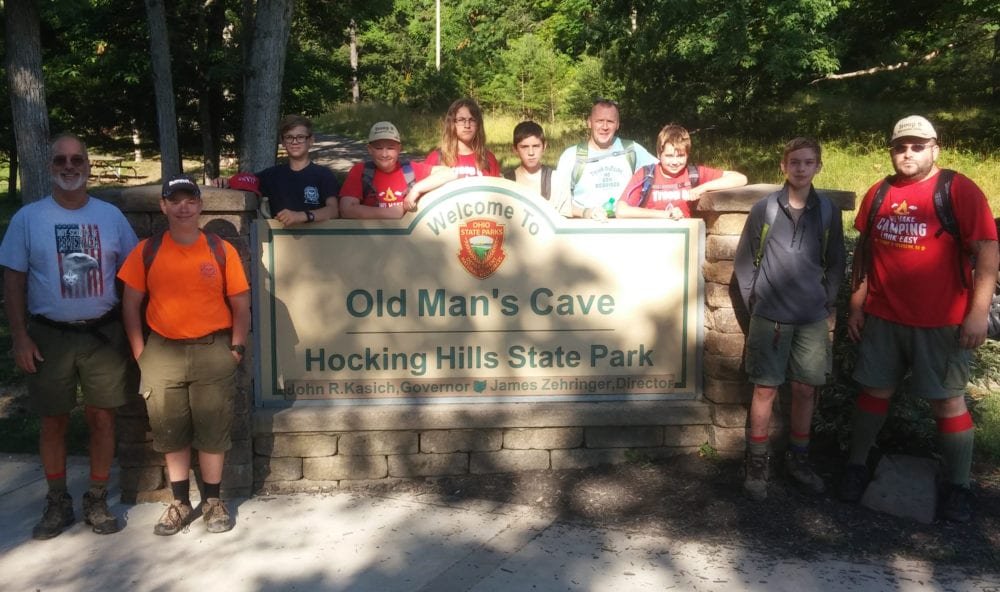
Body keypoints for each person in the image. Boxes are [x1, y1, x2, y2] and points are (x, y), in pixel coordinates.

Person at [840, 116, 999, 522]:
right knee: (873, 393)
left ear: (935, 148)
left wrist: (978, 314)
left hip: (942, 322)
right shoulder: (878, 193)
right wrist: (856, 305)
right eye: (900, 146)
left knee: (947, 401)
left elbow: (987, 251)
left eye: (916, 145)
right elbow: (864, 254)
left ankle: (960, 488)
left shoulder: (958, 190)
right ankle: (856, 468)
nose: (907, 153)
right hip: (883, 316)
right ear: (891, 150)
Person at [0, 133, 138, 539]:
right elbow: (13, 281)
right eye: (61, 160)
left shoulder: (110, 217)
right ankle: (57, 498)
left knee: (102, 417)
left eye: (77, 159)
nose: (69, 166)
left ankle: (96, 496)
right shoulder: (30, 218)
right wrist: (20, 337)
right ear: (50, 167)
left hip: (102, 332)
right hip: (49, 335)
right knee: (53, 420)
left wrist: (134, 332)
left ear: (88, 166)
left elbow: (133, 277)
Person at [118, 175, 251, 535]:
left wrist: (236, 349)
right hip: (162, 350)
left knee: (213, 430)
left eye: (189, 200)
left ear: (199, 205)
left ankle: (212, 499)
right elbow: (130, 305)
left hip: (213, 350)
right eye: (174, 200)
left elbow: (241, 304)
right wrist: (140, 353)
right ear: (163, 206)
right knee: (170, 430)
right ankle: (179, 501)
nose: (183, 207)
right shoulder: (147, 250)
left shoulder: (221, 249)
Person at [733, 137, 845, 501]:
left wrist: (825, 299)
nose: (800, 168)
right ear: (784, 166)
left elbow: (837, 261)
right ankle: (757, 463)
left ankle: (799, 458)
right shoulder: (764, 209)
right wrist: (758, 301)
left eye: (808, 162)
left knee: (805, 389)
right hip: (770, 317)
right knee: (764, 388)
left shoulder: (827, 211)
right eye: (794, 162)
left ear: (818, 167)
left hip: (811, 318)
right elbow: (744, 263)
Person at [616, 124, 747, 219]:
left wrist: (701, 188)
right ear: (658, 154)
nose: (674, 162)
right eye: (669, 156)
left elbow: (740, 178)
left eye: (680, 156)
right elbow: (621, 211)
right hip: (652, 238)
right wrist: (665, 215)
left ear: (687, 155)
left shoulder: (693, 173)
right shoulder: (646, 174)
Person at [554, 98, 656, 220]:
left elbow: (665, 171)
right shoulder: (571, 156)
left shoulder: (631, 150)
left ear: (617, 124)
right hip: (585, 229)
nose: (605, 127)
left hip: (626, 228)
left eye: (610, 121)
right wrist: (586, 212)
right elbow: (558, 201)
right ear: (589, 122)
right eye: (599, 121)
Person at [340, 122, 457, 219]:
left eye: (390, 148)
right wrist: (390, 213)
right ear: (370, 149)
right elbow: (346, 209)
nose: (384, 154)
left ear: (399, 149)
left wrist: (416, 189)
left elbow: (449, 173)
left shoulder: (410, 170)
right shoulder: (360, 171)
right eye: (378, 148)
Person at [254, 114, 340, 225]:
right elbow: (245, 182)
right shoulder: (271, 175)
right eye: (289, 137)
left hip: (317, 238)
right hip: (281, 239)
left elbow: (333, 211)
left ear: (311, 140)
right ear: (283, 141)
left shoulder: (324, 175)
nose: (295, 142)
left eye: (300, 137)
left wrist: (302, 216)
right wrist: (227, 182)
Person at [424, 98, 501, 178]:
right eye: (461, 120)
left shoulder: (489, 159)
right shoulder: (436, 158)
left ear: (478, 125)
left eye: (472, 120)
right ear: (451, 123)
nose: (467, 125)